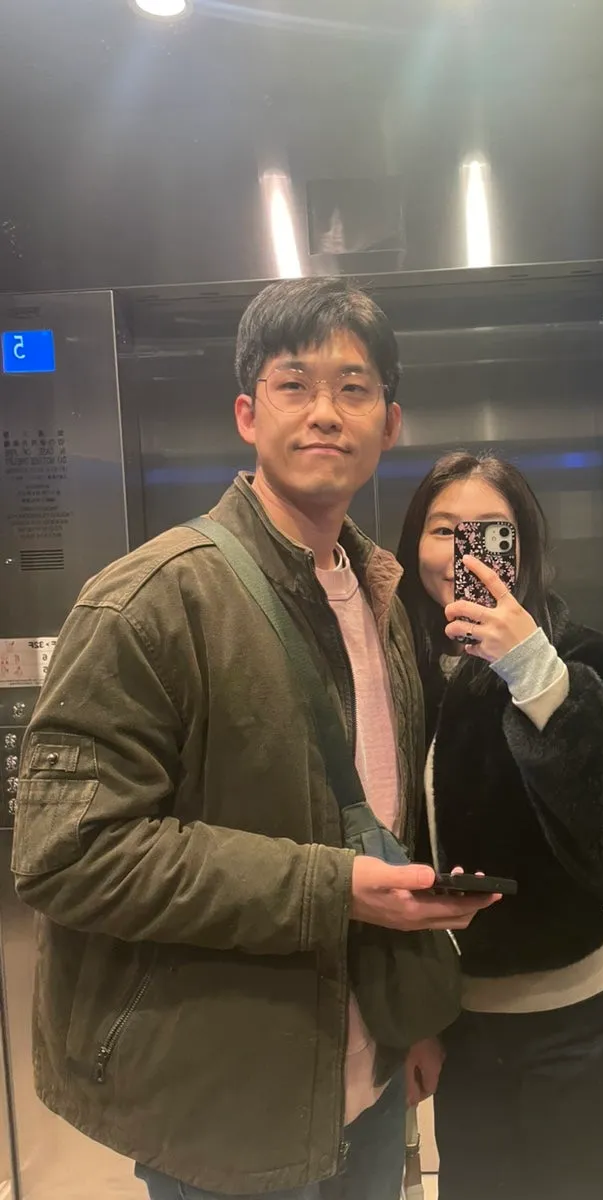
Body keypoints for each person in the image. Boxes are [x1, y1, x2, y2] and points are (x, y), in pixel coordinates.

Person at [11, 280, 497, 1200]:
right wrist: (331, 890)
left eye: (354, 388)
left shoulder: (384, 597)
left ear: (390, 423)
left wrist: (414, 1017)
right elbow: (67, 854)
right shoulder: (153, 600)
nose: (326, 412)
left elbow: (381, 827)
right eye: (294, 384)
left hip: (369, 1086)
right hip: (222, 1104)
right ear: (247, 413)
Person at [395, 451, 603, 1200]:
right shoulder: (406, 675)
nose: (464, 552)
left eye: (491, 532)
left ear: (523, 548)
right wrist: (417, 1019)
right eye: (443, 529)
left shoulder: (582, 659)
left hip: (594, 1028)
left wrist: (535, 673)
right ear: (412, 546)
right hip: (467, 1032)